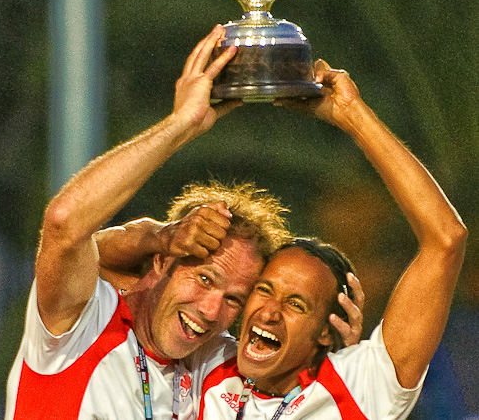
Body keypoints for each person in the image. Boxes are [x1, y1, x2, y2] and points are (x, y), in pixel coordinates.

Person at [4, 27, 363, 420]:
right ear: (163, 260)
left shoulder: (216, 362)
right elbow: (64, 222)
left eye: (234, 300)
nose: (211, 311)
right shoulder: (82, 321)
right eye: (206, 279)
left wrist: (329, 360)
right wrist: (182, 125)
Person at [187, 60, 468, 419]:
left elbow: (446, 238)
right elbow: (100, 255)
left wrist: (352, 114)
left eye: (297, 304)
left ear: (325, 331)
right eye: (264, 289)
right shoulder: (201, 361)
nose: (270, 312)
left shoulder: (359, 384)